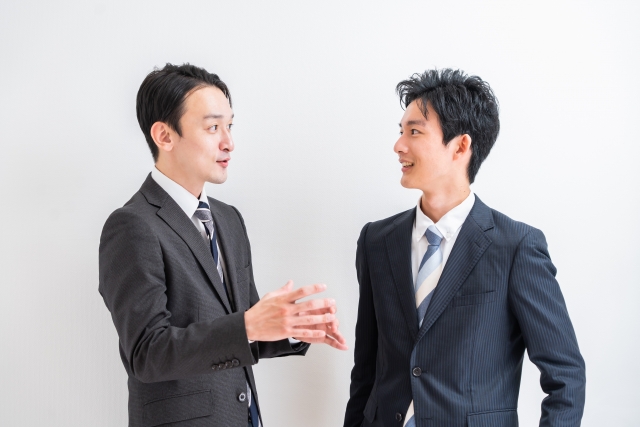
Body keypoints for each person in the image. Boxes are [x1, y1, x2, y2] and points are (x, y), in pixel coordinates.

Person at [99, 63, 347, 427]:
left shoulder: (229, 219)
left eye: (230, 126)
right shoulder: (132, 226)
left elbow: (241, 327)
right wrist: (248, 325)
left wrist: (292, 327)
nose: (229, 142)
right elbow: (147, 353)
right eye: (213, 127)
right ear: (164, 136)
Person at [344, 69, 585, 427]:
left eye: (414, 132)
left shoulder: (516, 246)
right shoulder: (376, 241)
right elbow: (365, 370)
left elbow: (565, 375)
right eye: (401, 131)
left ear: (460, 146)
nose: (399, 145)